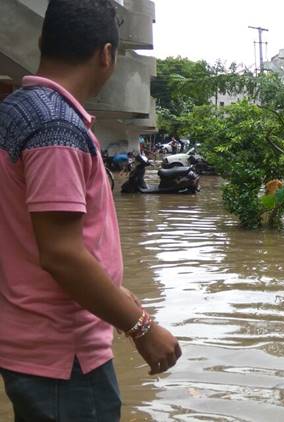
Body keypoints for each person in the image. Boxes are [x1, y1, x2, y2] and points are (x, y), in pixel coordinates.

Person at [0, 1, 182, 420]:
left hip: (30, 344)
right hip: (65, 357)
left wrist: (117, 293)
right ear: (106, 55)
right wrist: (142, 327)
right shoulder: (56, 128)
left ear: (44, 42)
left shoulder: (14, 112)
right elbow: (62, 254)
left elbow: (32, 238)